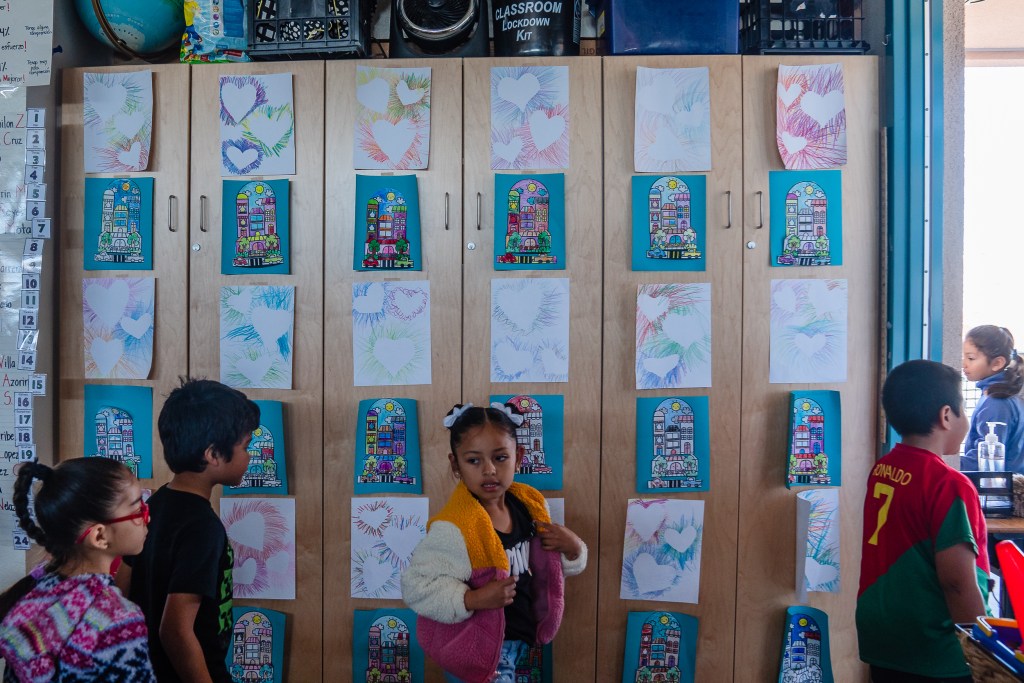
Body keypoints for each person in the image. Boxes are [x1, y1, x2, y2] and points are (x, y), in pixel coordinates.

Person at [401, 403, 587, 683]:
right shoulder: (454, 526)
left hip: (515, 640)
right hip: (475, 648)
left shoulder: (528, 507)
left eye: (500, 458)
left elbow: (544, 568)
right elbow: (415, 586)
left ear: (518, 457)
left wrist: (573, 549)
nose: (489, 470)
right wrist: (473, 598)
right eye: (474, 461)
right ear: (456, 464)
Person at [118, 378, 259, 683]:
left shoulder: (153, 505)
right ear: (212, 455)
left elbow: (122, 590)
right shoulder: (203, 528)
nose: (250, 456)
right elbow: (175, 629)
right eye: (246, 447)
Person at [857, 360, 989, 683]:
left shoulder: (883, 469)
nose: (967, 419)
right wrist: (981, 650)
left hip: (884, 638)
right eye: (963, 410)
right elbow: (956, 582)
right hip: (934, 649)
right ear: (946, 416)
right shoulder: (950, 485)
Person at [0, 458, 155, 681]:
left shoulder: (31, 597)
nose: (147, 516)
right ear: (100, 536)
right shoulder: (118, 620)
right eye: (138, 508)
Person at [960, 325, 1024, 473]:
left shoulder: (996, 401)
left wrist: (943, 467)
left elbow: (983, 460)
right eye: (964, 357)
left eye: (971, 358)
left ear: (997, 363)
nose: (964, 364)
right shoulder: (1005, 394)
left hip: (1002, 491)